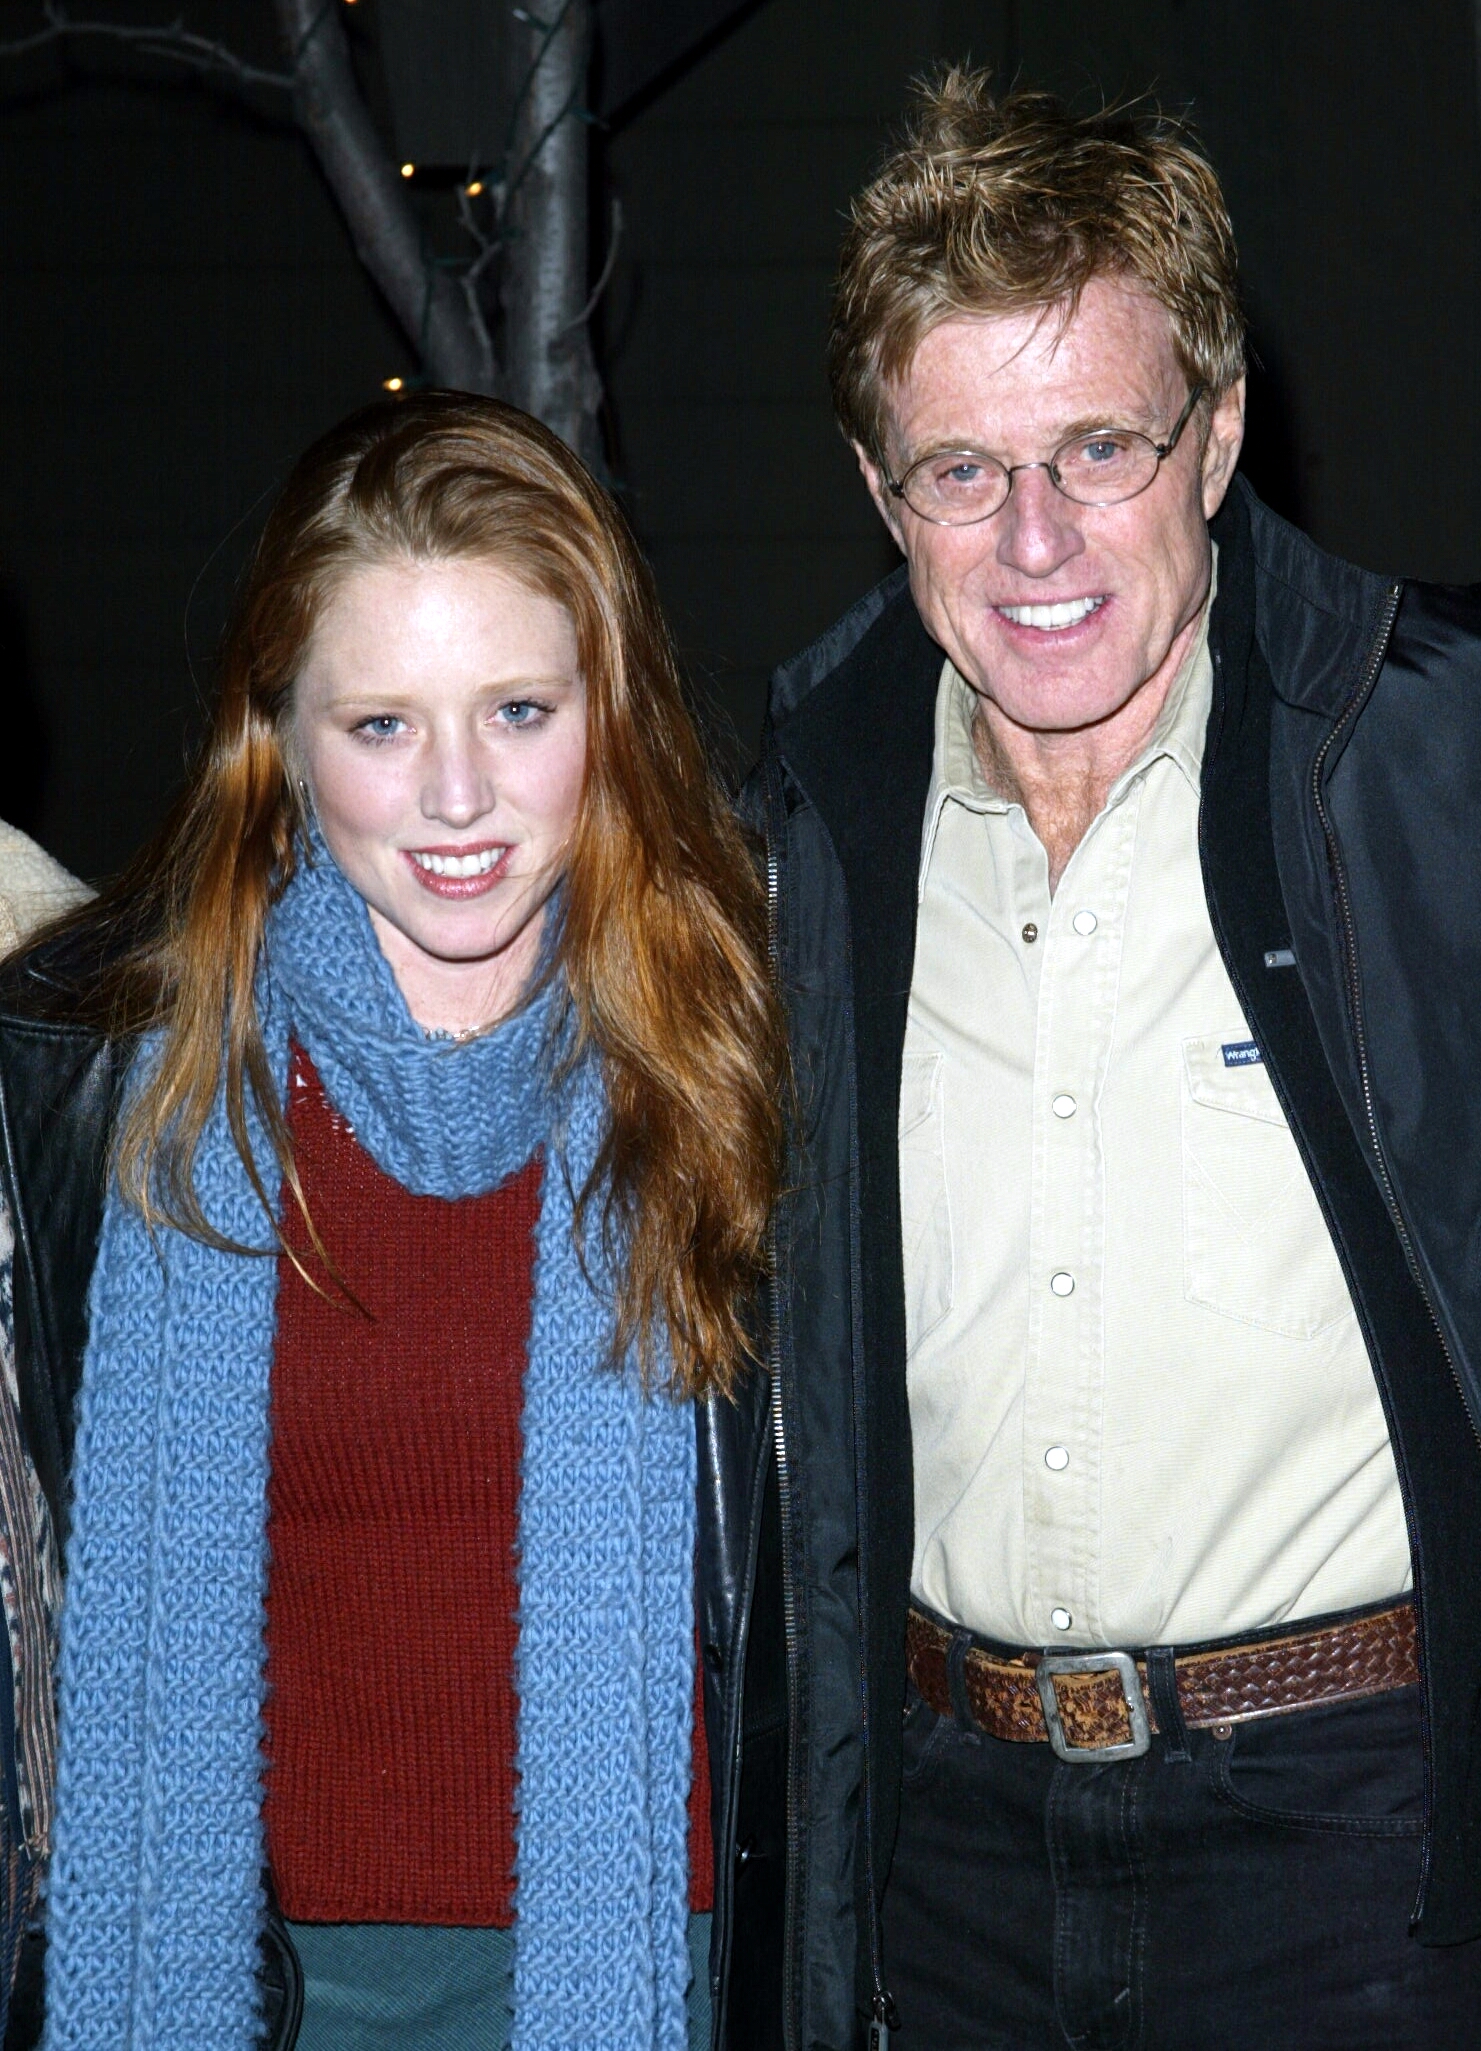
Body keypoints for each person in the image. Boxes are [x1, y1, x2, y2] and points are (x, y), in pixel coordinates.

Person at [716, 67, 1481, 2050]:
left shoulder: (1429, 767)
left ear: (1218, 437)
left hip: (1351, 1844)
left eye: (1101, 447)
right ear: (884, 495)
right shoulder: (802, 830)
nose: (1036, 540)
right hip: (941, 1844)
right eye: (962, 471)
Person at [0, 392, 783, 2051]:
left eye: (516, 711)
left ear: (609, 712)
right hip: (266, 1980)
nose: (454, 797)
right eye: (379, 726)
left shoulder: (753, 1061)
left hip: (678, 1953)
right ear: (276, 737)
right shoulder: (108, 1079)